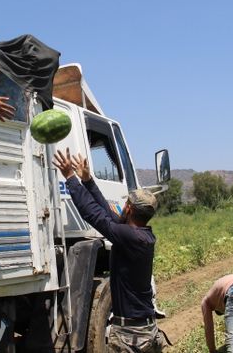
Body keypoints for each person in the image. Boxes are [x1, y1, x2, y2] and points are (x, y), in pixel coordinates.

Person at [52, 148, 166, 353]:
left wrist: (70, 177)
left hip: (131, 336)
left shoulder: (130, 236)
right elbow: (108, 214)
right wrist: (88, 181)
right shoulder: (140, 235)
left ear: (129, 209)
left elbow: (94, 214)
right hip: (145, 330)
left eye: (126, 203)